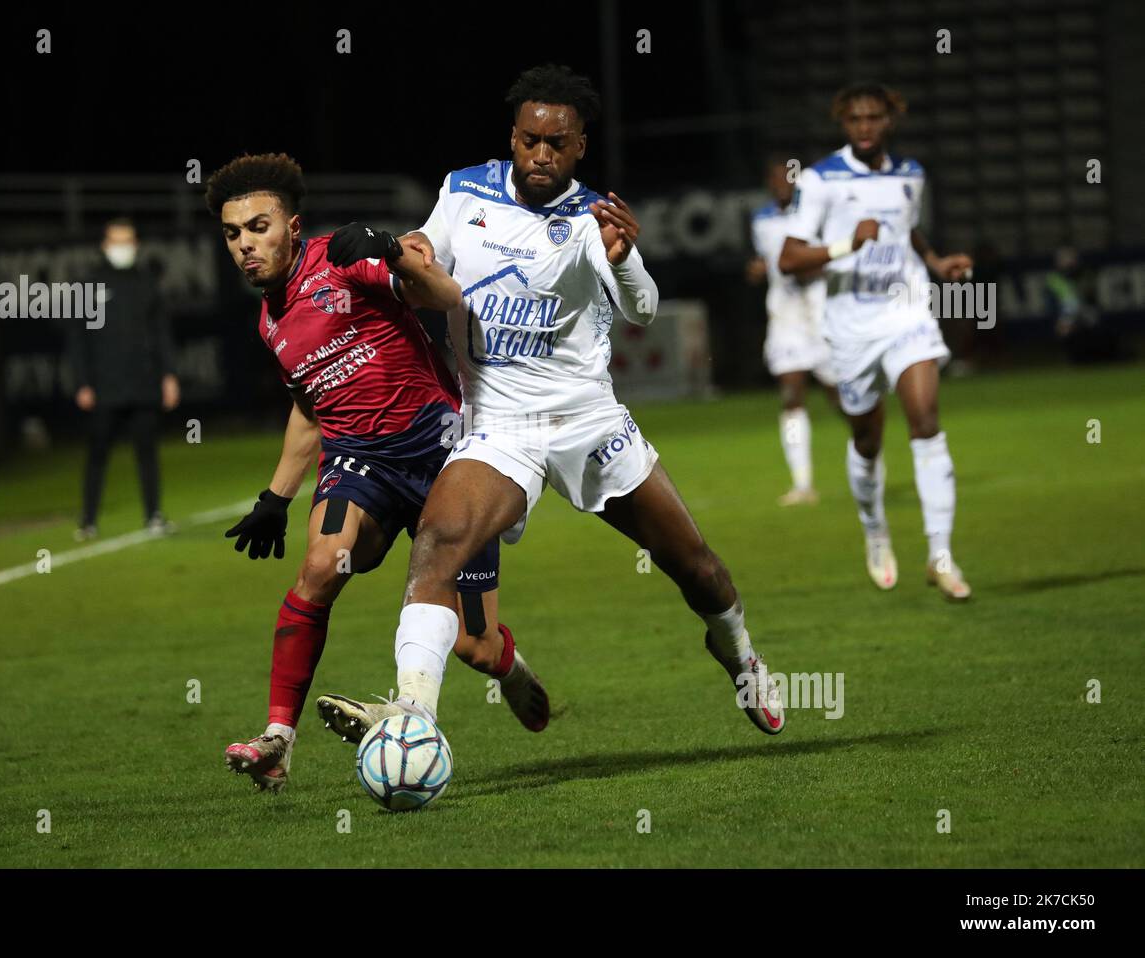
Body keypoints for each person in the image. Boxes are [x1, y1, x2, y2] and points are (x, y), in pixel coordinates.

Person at [317, 64, 785, 744]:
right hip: (501, 428)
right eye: (530, 139)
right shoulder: (464, 192)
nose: (542, 153)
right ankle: (413, 715)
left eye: (557, 143)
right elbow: (425, 265)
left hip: (588, 421)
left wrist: (624, 258)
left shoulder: (594, 218)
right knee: (438, 542)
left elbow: (644, 308)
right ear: (513, 136)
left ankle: (738, 652)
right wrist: (388, 250)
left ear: (580, 147)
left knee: (698, 566)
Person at [205, 153, 549, 792]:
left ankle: (509, 666)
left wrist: (391, 251)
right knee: (319, 566)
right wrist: (275, 497)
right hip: (361, 462)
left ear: (294, 226)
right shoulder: (269, 322)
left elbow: (447, 295)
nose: (246, 245)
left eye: (258, 227)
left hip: (445, 455)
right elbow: (312, 409)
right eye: (233, 234)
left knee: (472, 644)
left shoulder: (341, 259)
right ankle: (279, 736)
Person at [778, 82, 974, 601]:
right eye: (855, 120)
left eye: (874, 118)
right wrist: (847, 243)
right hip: (849, 326)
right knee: (867, 438)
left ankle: (941, 554)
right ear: (845, 124)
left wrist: (934, 263)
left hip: (907, 312)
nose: (865, 127)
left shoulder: (912, 175)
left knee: (926, 423)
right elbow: (789, 259)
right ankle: (874, 528)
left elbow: (907, 231)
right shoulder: (820, 180)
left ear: (890, 120)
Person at [68, 218, 180, 540]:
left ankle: (153, 515)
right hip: (104, 387)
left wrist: (169, 375)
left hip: (143, 384)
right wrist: (82, 383)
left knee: (147, 452)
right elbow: (78, 341)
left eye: (128, 241)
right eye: (117, 242)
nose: (123, 248)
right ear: (105, 246)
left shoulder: (147, 283)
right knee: (97, 454)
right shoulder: (88, 285)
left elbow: (161, 334)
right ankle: (88, 520)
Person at [746, 154, 839, 505]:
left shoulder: (814, 216)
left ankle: (867, 453)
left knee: (840, 396)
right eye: (775, 178)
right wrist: (758, 270)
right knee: (791, 395)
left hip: (821, 313)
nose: (780, 184)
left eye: (787, 178)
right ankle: (802, 484)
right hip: (786, 318)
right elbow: (767, 262)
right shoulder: (762, 220)